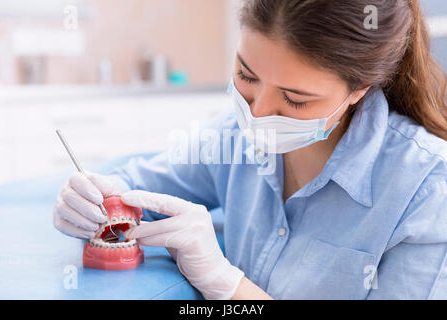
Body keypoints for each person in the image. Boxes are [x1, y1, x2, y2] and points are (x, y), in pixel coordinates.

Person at [53, 0, 447, 299]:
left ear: (358, 91)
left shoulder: (425, 192)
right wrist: (92, 199)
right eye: (246, 75)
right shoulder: (231, 139)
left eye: (294, 100)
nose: (256, 114)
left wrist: (226, 284)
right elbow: (134, 186)